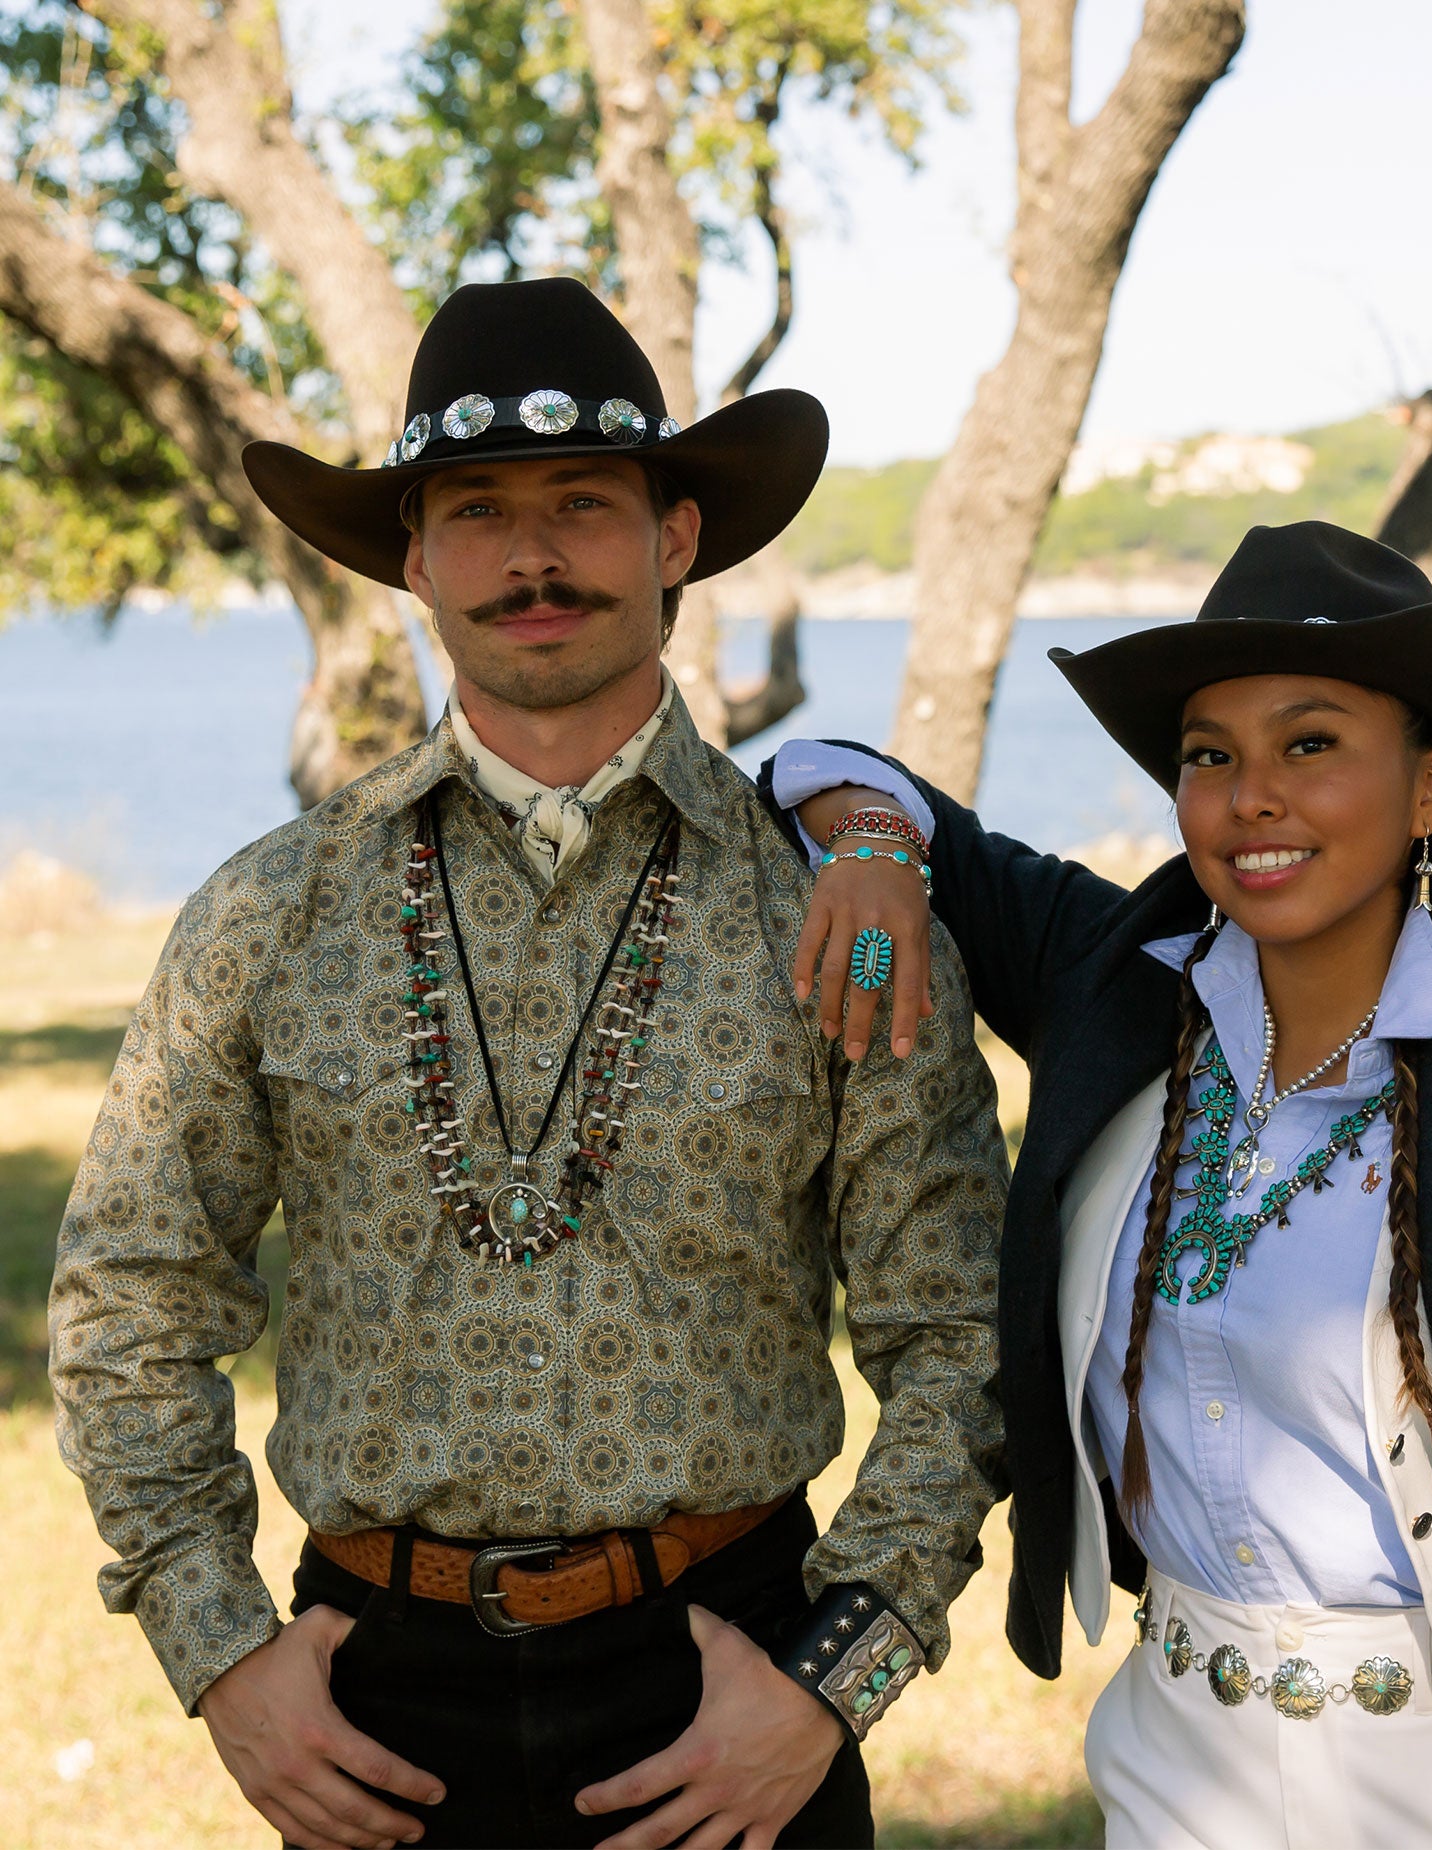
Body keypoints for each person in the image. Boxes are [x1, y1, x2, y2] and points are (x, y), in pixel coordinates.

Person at [48, 276, 1010, 1850]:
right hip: (373, 1707)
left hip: (731, 1682)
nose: (532, 555)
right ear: (415, 559)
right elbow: (129, 1297)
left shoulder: (834, 907)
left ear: (675, 538)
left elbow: (961, 1330)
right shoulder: (271, 909)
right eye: (477, 511)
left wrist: (834, 1670)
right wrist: (221, 1655)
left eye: (581, 501)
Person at [766, 521, 1432, 1850]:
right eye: (1209, 754)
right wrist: (873, 845)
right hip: (1177, 1763)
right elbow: (830, 765)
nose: (1248, 795)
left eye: (1310, 742)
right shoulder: (1111, 988)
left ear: (1430, 787)